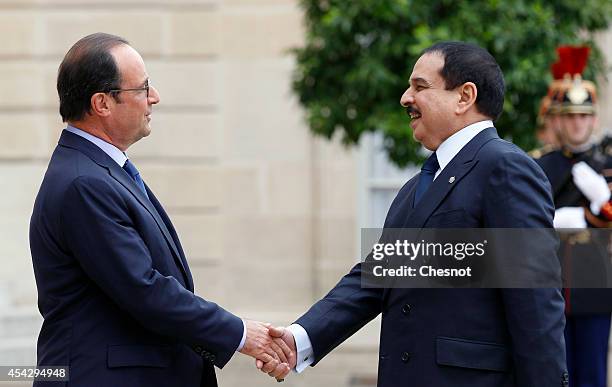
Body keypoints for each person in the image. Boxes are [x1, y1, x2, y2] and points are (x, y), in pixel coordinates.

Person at [259, 41, 568, 387]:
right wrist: (299, 339)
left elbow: (535, 302)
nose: (406, 98)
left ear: (464, 96)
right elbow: (374, 278)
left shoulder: (506, 168)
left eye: (420, 86)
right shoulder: (414, 189)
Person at [29, 33, 292, 386]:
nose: (154, 97)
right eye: (142, 88)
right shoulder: (84, 182)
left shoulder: (99, 172)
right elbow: (145, 290)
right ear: (102, 103)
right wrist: (243, 334)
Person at [534, 45, 612, 387]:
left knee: (592, 371)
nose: (577, 123)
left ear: (593, 118)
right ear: (557, 119)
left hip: (596, 282)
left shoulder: (606, 164)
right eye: (569, 115)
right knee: (554, 370)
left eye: (583, 115)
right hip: (552, 283)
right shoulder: (539, 165)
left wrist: (599, 206)